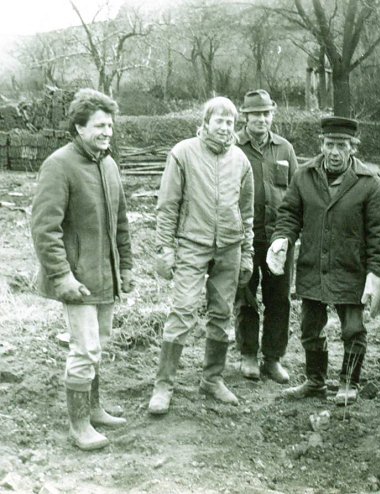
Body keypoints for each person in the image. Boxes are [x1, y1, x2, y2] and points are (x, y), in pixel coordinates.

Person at [31, 88, 132, 451]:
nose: (107, 132)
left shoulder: (108, 163)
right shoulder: (59, 165)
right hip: (77, 279)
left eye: (110, 125)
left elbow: (121, 221)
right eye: (99, 126)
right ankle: (79, 426)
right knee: (85, 348)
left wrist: (128, 265)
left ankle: (93, 407)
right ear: (79, 127)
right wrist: (61, 275)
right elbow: (44, 228)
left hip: (106, 277)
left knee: (98, 345)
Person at [267, 116, 380, 406]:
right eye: (330, 144)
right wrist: (281, 239)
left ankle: (349, 382)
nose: (335, 152)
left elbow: (379, 234)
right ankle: (315, 381)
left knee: (353, 330)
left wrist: (377, 274)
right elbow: (289, 214)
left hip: (351, 269)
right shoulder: (304, 176)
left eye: (342, 145)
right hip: (314, 266)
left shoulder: (369, 183)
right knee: (311, 328)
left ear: (353, 148)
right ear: (321, 145)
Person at [148, 96, 254, 414]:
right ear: (206, 122)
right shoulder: (183, 153)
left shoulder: (241, 161)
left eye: (230, 122)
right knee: (182, 312)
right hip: (192, 244)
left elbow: (246, 212)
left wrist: (246, 252)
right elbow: (167, 206)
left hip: (229, 247)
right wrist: (164, 248)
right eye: (218, 120)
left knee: (222, 314)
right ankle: (164, 385)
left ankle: (211, 379)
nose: (224, 127)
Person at [235, 89, 298, 383]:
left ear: (272, 114)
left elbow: (296, 194)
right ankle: (248, 355)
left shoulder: (284, 149)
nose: (261, 119)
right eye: (255, 114)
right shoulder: (233, 147)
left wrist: (290, 234)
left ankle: (272, 358)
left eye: (266, 113)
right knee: (245, 296)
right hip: (244, 238)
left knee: (279, 299)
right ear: (244, 116)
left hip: (279, 239)